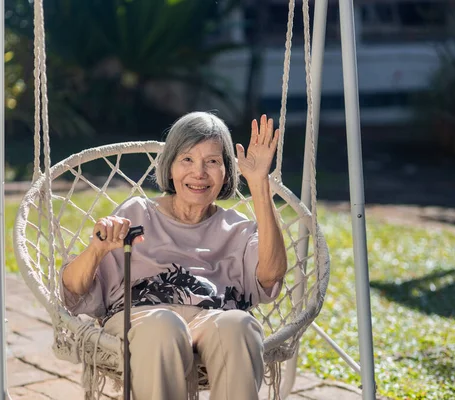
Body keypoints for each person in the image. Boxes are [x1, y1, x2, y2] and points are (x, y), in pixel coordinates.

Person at [60, 111, 288, 400]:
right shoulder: (135, 214)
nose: (199, 173)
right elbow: (72, 289)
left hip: (212, 319)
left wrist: (259, 184)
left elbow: (271, 274)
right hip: (143, 319)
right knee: (164, 326)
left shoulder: (238, 229)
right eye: (187, 159)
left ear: (227, 173)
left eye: (213, 162)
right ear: (170, 168)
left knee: (239, 326)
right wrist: (96, 249)